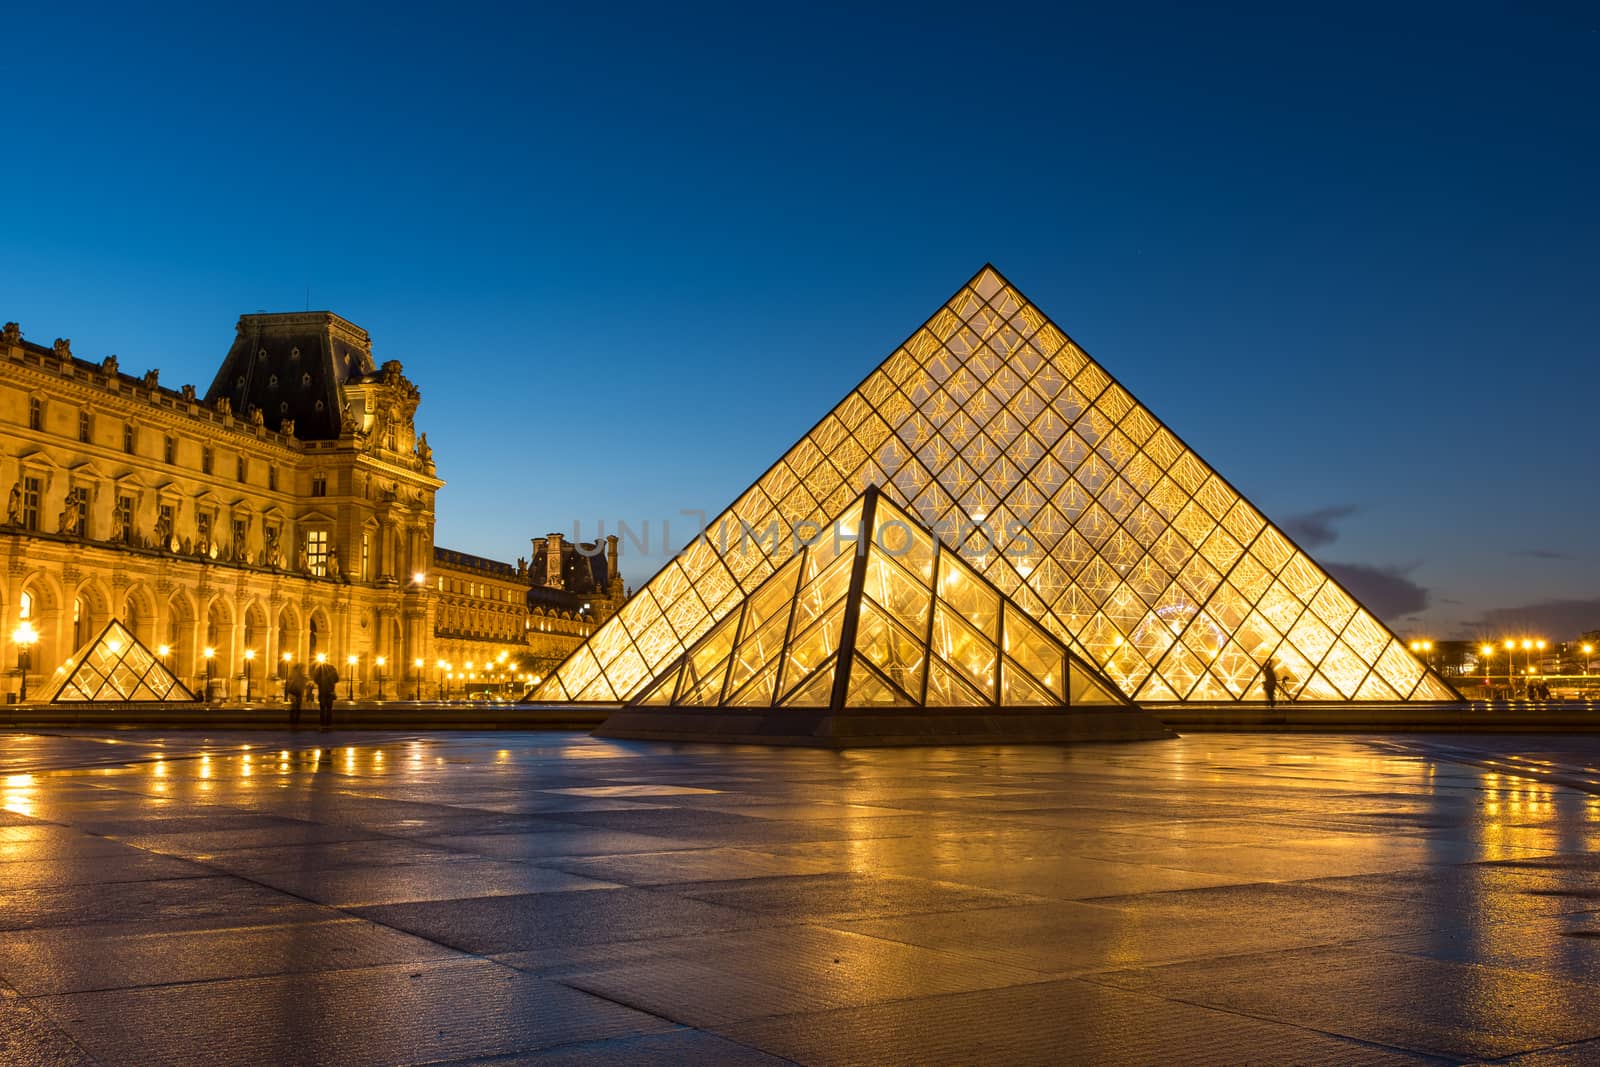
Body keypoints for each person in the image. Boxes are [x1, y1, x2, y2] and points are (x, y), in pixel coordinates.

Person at [312, 658, 339, 730]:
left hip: (322, 691)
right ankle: (329, 724)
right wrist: (331, 682)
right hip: (330, 691)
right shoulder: (332, 668)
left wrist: (320, 683)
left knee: (322, 708)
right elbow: (337, 679)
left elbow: (315, 679)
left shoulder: (319, 668)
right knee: (329, 708)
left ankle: (322, 724)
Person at [285, 663, 308, 729]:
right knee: (296, 708)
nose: (303, 669)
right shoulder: (296, 676)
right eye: (302, 668)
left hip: (297, 693)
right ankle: (294, 722)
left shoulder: (295, 675)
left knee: (296, 708)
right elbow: (294, 684)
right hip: (295, 693)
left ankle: (294, 722)